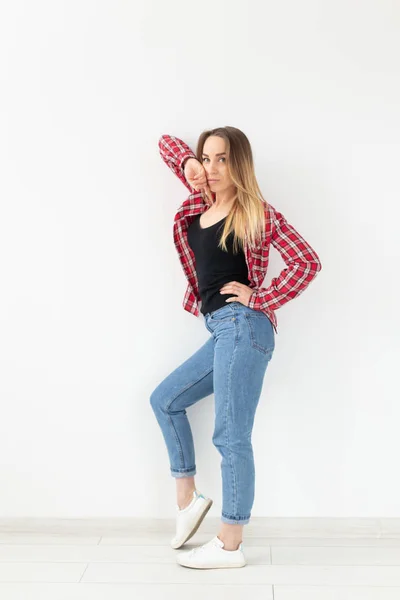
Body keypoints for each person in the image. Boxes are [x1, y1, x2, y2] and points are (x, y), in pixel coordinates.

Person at [150, 127, 322, 569]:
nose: (213, 168)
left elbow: (308, 261)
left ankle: (230, 544)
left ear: (239, 163)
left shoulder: (256, 212)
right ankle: (187, 501)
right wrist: (189, 164)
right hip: (220, 329)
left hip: (245, 325)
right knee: (165, 399)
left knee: (231, 436)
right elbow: (166, 142)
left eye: (222, 159)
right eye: (207, 159)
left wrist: (260, 298)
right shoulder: (196, 205)